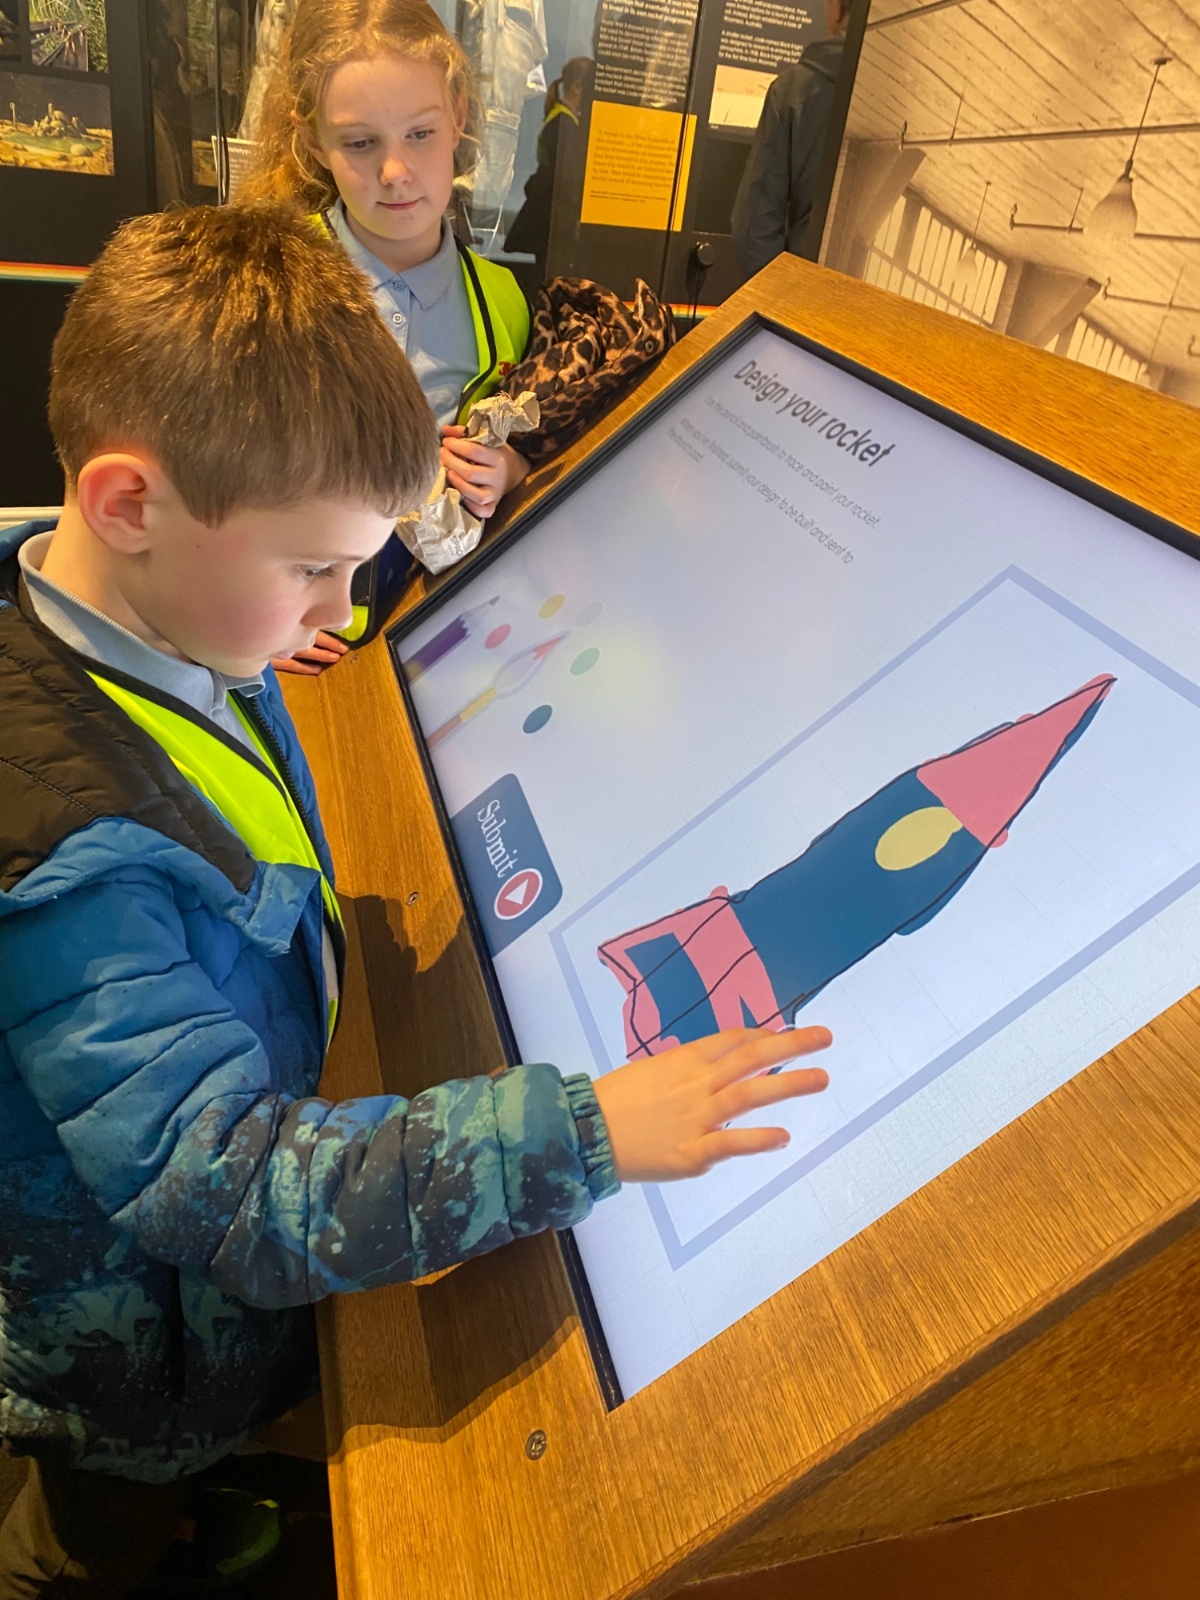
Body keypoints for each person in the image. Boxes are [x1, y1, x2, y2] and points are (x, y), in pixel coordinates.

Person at [0, 202, 833, 1597]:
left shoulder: (160, 620)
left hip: (194, 1313)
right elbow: (232, 1191)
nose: (339, 612)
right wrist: (580, 1130)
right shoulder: (68, 872)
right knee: (93, 1542)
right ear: (129, 506)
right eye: (310, 569)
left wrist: (258, 616)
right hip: (133, 1366)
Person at [240, 0, 537, 676]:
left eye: (420, 133)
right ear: (312, 140)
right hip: (287, 650)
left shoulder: (502, 300)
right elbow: (198, 479)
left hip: (438, 638)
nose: (396, 171)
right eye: (360, 142)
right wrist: (247, 616)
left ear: (459, 115)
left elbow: (519, 453)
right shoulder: (261, 281)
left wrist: (508, 472)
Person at [731, 0, 852, 279]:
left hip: (805, 287)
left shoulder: (794, 89)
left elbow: (753, 228)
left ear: (837, 9)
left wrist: (781, 292)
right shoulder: (904, 93)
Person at [505, 56, 590, 278]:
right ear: (577, 88)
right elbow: (568, 179)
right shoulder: (564, 123)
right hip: (553, 218)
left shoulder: (562, 118)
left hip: (550, 214)